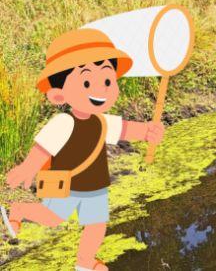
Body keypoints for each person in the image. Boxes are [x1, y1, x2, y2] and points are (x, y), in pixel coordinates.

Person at [1, 28, 165, 271]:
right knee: (53, 218)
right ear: (58, 95)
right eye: (87, 81)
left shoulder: (102, 121)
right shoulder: (64, 122)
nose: (100, 89)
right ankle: (20, 209)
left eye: (107, 80)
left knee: (97, 224)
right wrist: (27, 168)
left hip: (95, 185)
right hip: (65, 184)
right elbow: (43, 148)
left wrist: (147, 131)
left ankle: (85, 264)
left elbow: (126, 130)